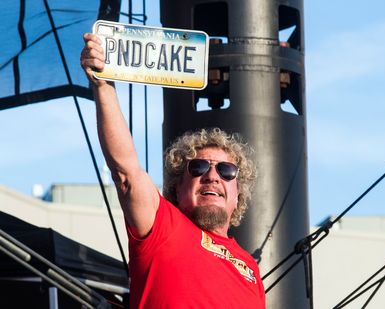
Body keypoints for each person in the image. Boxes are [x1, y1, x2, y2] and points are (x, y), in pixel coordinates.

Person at [80, 32, 266, 308]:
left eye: (227, 170)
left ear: (238, 194)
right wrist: (103, 85)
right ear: (177, 186)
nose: (212, 176)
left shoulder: (251, 269)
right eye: (199, 167)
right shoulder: (162, 225)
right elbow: (126, 173)